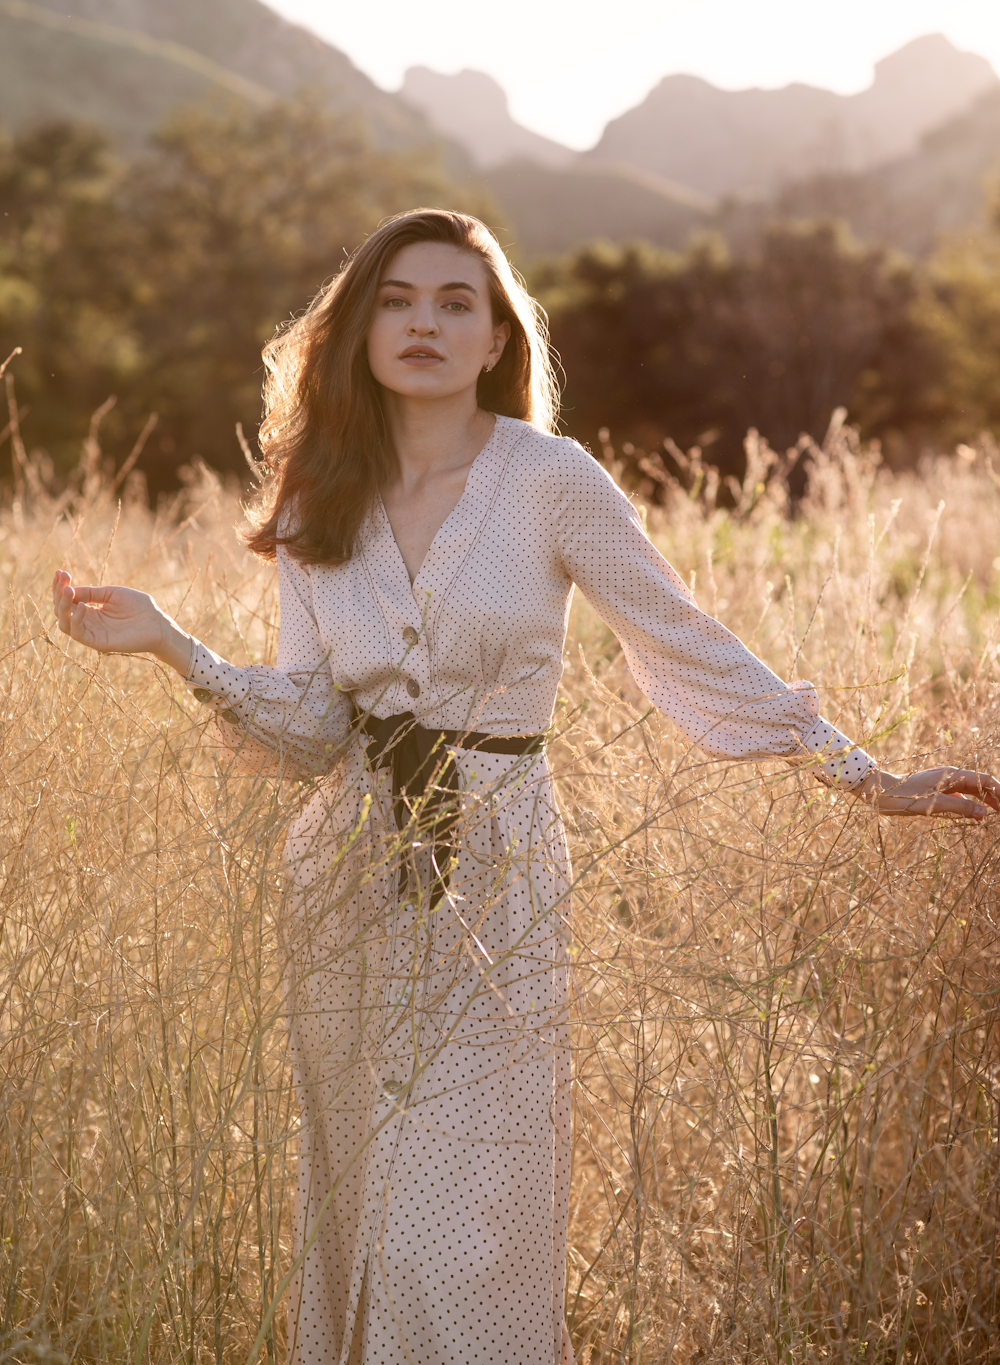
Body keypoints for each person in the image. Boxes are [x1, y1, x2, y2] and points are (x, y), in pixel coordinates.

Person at [52, 208, 999, 1365]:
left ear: (499, 338)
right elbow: (309, 728)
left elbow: (682, 640)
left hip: (497, 875)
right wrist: (172, 647)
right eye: (398, 299)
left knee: (467, 1227)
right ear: (355, 327)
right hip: (344, 879)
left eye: (458, 303)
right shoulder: (315, 497)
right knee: (356, 1211)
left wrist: (864, 776)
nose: (424, 324)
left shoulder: (549, 481)